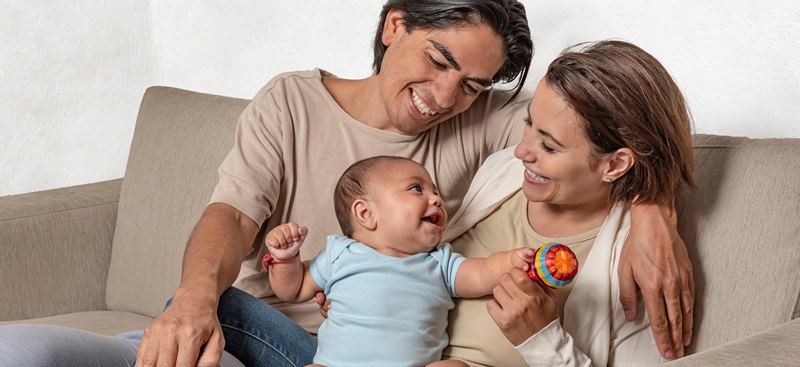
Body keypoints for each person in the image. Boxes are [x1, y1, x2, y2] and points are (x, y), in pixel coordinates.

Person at [0, 2, 692, 366]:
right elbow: (233, 217)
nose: (446, 96)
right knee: (25, 351)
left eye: (474, 84)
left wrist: (654, 202)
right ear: (395, 25)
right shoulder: (291, 102)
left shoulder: (492, 130)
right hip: (257, 338)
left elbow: (604, 125)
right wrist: (191, 301)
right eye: (439, 59)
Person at [439, 39, 694, 366]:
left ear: (614, 165)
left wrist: (541, 338)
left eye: (549, 147)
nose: (522, 151)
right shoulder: (502, 170)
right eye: (528, 122)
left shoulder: (638, 264)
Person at [265, 156, 533, 366]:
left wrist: (512, 260)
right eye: (417, 188)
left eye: (435, 192)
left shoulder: (439, 262)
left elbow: (480, 273)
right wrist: (285, 258)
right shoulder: (340, 254)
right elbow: (294, 289)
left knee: (455, 366)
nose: (437, 199)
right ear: (366, 213)